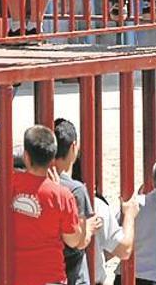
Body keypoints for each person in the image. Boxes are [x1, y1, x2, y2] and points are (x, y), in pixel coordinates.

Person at [0, 125, 95, 285]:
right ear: (52, 159)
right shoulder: (63, 196)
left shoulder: (4, 186)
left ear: (26, 156)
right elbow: (73, 241)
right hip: (50, 279)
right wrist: (84, 225)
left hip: (10, 279)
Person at [53, 119, 102, 284]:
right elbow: (79, 242)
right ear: (74, 147)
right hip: (73, 275)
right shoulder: (76, 189)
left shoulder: (37, 183)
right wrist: (88, 229)